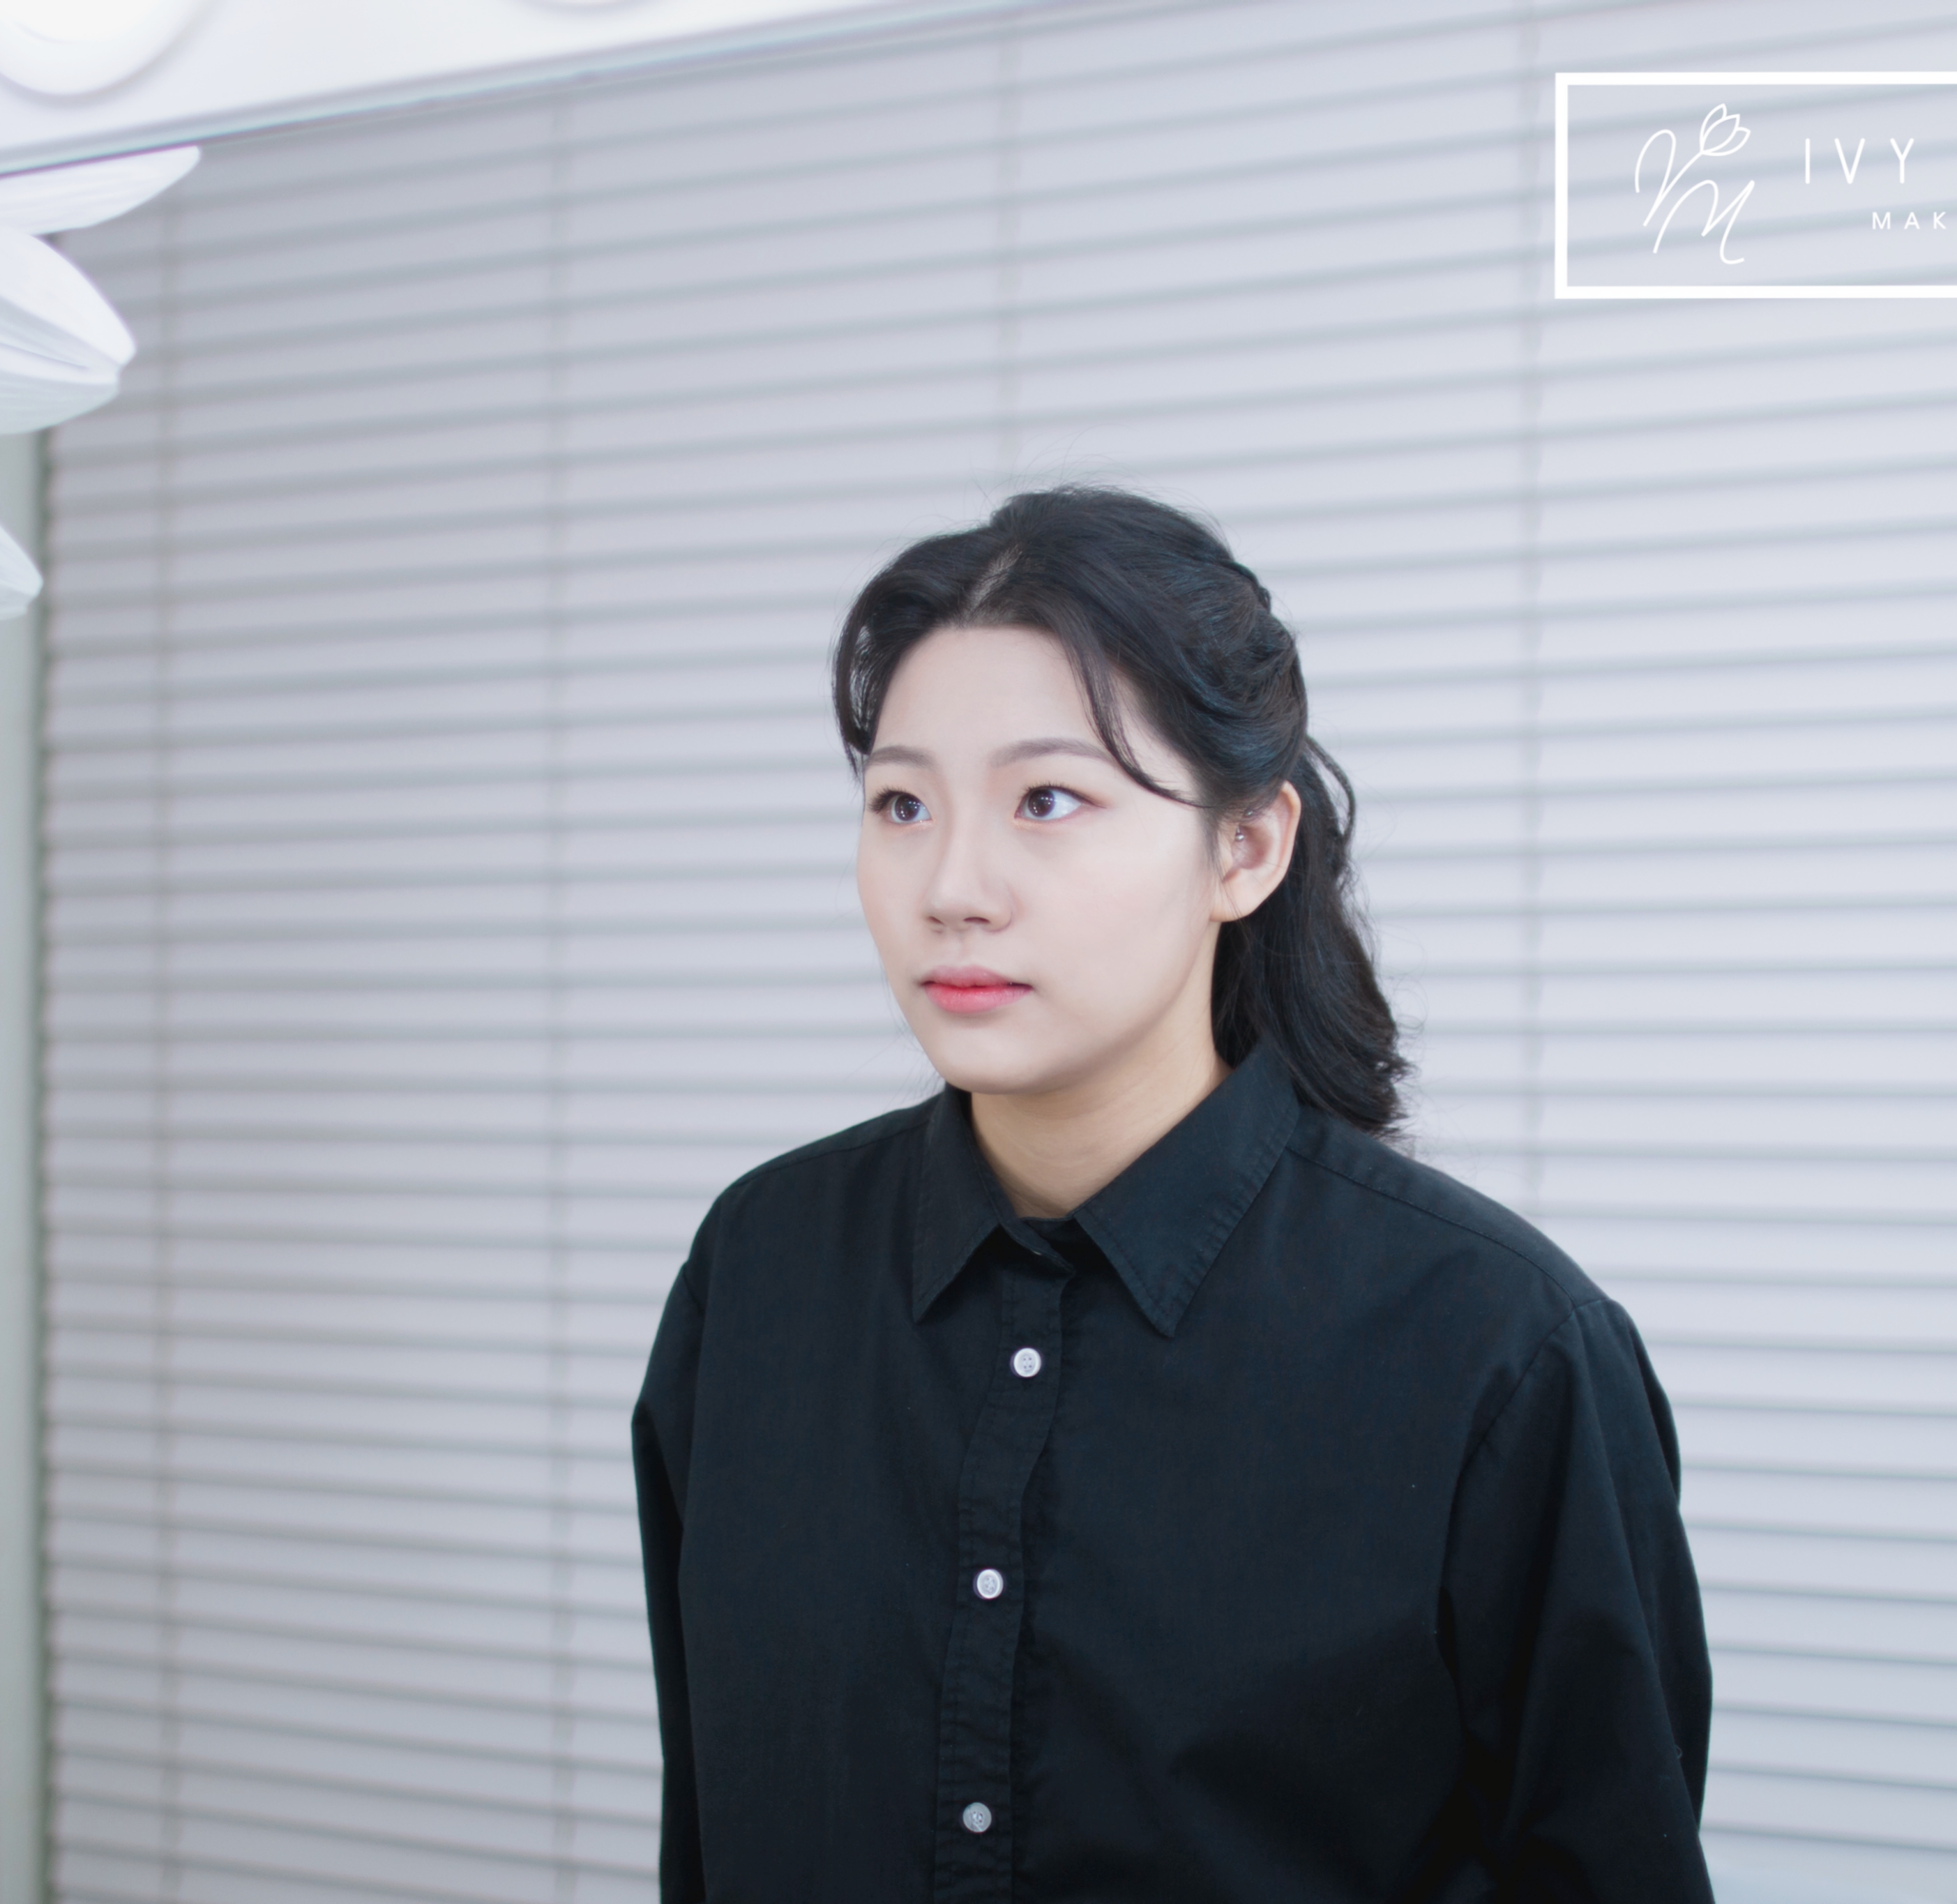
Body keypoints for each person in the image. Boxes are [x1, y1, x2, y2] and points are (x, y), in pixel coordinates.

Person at [630, 487, 1712, 1903]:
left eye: (1047, 800)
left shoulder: (1498, 1351)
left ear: (1244, 848)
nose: (952, 885)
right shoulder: (758, 1273)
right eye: (901, 803)